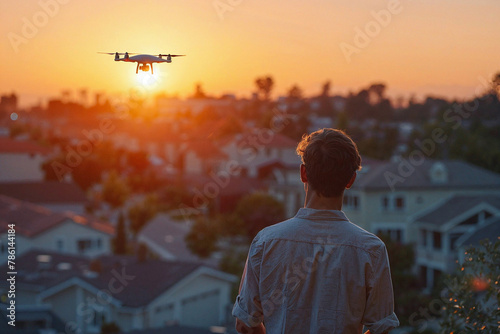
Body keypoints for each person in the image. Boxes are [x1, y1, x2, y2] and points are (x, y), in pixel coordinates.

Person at [232, 128, 399, 334]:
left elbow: (246, 323)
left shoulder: (266, 242)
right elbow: (382, 328)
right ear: (351, 180)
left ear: (303, 173)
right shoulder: (371, 250)